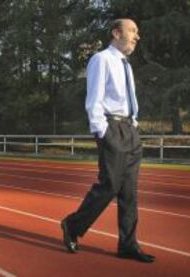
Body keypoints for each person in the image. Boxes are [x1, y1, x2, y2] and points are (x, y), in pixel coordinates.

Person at [61, 18, 155, 263]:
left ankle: (128, 244)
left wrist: (134, 122)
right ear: (116, 33)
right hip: (111, 128)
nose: (137, 36)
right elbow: (94, 99)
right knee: (109, 186)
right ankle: (72, 225)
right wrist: (101, 131)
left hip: (130, 129)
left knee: (129, 193)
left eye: (137, 31)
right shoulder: (101, 59)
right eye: (132, 31)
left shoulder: (126, 64)